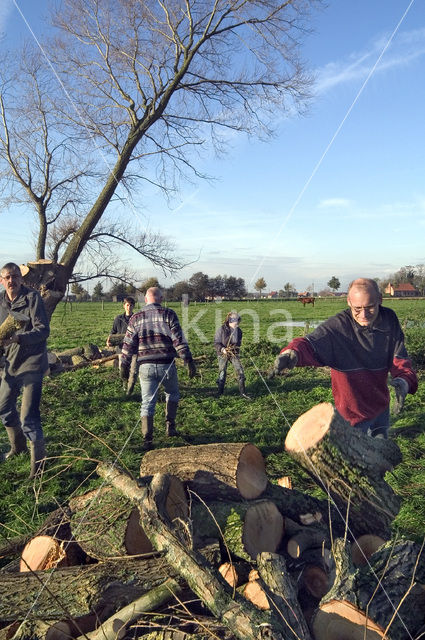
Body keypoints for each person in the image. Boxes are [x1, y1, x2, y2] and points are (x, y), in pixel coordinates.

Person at [271, 278, 417, 438]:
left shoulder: (389, 319)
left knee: (381, 451)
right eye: (357, 309)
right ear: (348, 302)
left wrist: (404, 380)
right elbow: (310, 344)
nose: (364, 315)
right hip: (352, 414)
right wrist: (292, 353)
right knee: (356, 457)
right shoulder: (338, 327)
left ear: (380, 300)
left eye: (370, 308)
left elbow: (399, 356)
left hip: (381, 406)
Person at [120, 287, 196, 449]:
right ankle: (170, 427)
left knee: (147, 402)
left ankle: (147, 439)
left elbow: (128, 344)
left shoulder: (136, 317)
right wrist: (187, 359)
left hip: (145, 366)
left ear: (146, 300)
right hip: (167, 364)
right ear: (161, 299)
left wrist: (124, 365)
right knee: (172, 393)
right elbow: (178, 339)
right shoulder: (169, 314)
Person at [0, 262, 50, 477]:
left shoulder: (32, 298)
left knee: (28, 415)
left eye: (15, 277)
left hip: (32, 361)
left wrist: (19, 338)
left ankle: (37, 468)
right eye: (7, 278)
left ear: (21, 278)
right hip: (10, 364)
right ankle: (17, 447)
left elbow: (43, 330)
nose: (11, 281)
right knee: (3, 408)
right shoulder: (0, 302)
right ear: (2, 281)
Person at [214, 312, 250, 399]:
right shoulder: (221, 330)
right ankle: (220, 392)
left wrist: (233, 350)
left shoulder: (239, 331)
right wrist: (223, 349)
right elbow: (216, 343)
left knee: (240, 371)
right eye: (235, 320)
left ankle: (243, 393)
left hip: (234, 354)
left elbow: (238, 344)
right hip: (222, 354)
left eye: (238, 320)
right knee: (222, 373)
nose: (237, 322)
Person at [106, 296, 138, 395]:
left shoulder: (136, 319)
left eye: (131, 305)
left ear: (133, 306)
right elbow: (113, 332)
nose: (129, 307)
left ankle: (130, 389)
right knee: (123, 368)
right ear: (124, 306)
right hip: (121, 349)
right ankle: (125, 382)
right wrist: (109, 340)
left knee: (134, 370)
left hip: (134, 349)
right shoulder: (118, 319)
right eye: (127, 305)